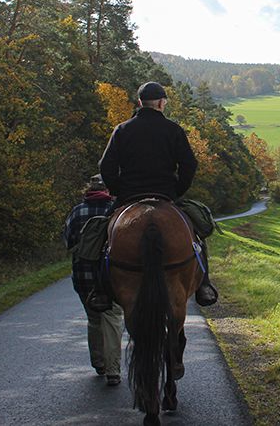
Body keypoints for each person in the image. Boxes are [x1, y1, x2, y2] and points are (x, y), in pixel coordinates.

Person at [99, 81, 218, 306]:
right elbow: (189, 165)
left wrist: (119, 192)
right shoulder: (173, 130)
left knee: (100, 236)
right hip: (166, 195)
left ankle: (100, 290)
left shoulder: (122, 130)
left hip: (129, 196)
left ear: (139, 102)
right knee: (199, 233)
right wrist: (176, 191)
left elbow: (106, 167)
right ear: (162, 103)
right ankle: (204, 286)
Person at [63, 175, 124, 386]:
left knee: (94, 318)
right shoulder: (117, 211)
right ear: (108, 190)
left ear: (88, 189)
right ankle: (113, 370)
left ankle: (99, 363)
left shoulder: (77, 212)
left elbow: (68, 241)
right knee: (113, 318)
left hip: (84, 275)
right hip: (111, 275)